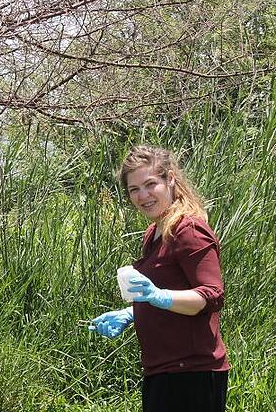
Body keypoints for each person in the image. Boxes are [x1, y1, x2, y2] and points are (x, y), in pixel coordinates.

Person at [89, 145, 229, 412]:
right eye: (134, 189)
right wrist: (134, 312)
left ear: (171, 180)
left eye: (150, 184)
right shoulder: (155, 233)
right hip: (163, 372)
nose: (143, 196)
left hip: (193, 373)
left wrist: (159, 297)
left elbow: (211, 295)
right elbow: (173, 288)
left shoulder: (189, 230)